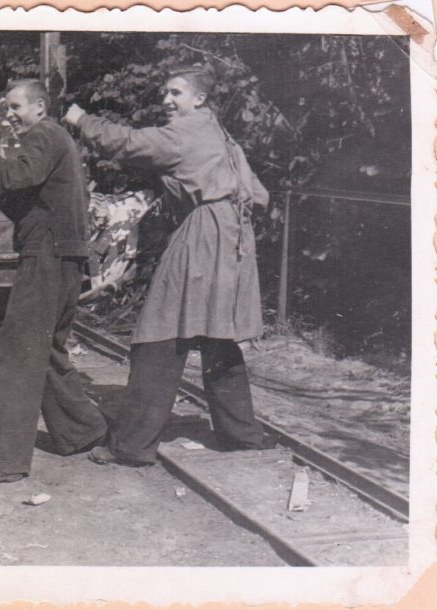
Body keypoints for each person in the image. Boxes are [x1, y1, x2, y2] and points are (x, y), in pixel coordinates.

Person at [62, 64, 275, 467]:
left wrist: (79, 119)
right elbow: (259, 195)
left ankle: (132, 446)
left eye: (176, 93)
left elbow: (126, 143)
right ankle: (242, 436)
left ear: (199, 99)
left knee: (160, 334)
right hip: (234, 238)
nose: (166, 101)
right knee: (218, 334)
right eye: (166, 93)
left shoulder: (186, 131)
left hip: (205, 232)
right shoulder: (221, 135)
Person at [0, 79, 107, 486]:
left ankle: (5, 459)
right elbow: (19, 186)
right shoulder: (53, 139)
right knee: (46, 352)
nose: (10, 116)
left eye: (16, 108)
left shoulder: (44, 134)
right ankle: (83, 431)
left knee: (16, 356)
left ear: (40, 108)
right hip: (61, 256)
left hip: (48, 257)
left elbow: (16, 177)